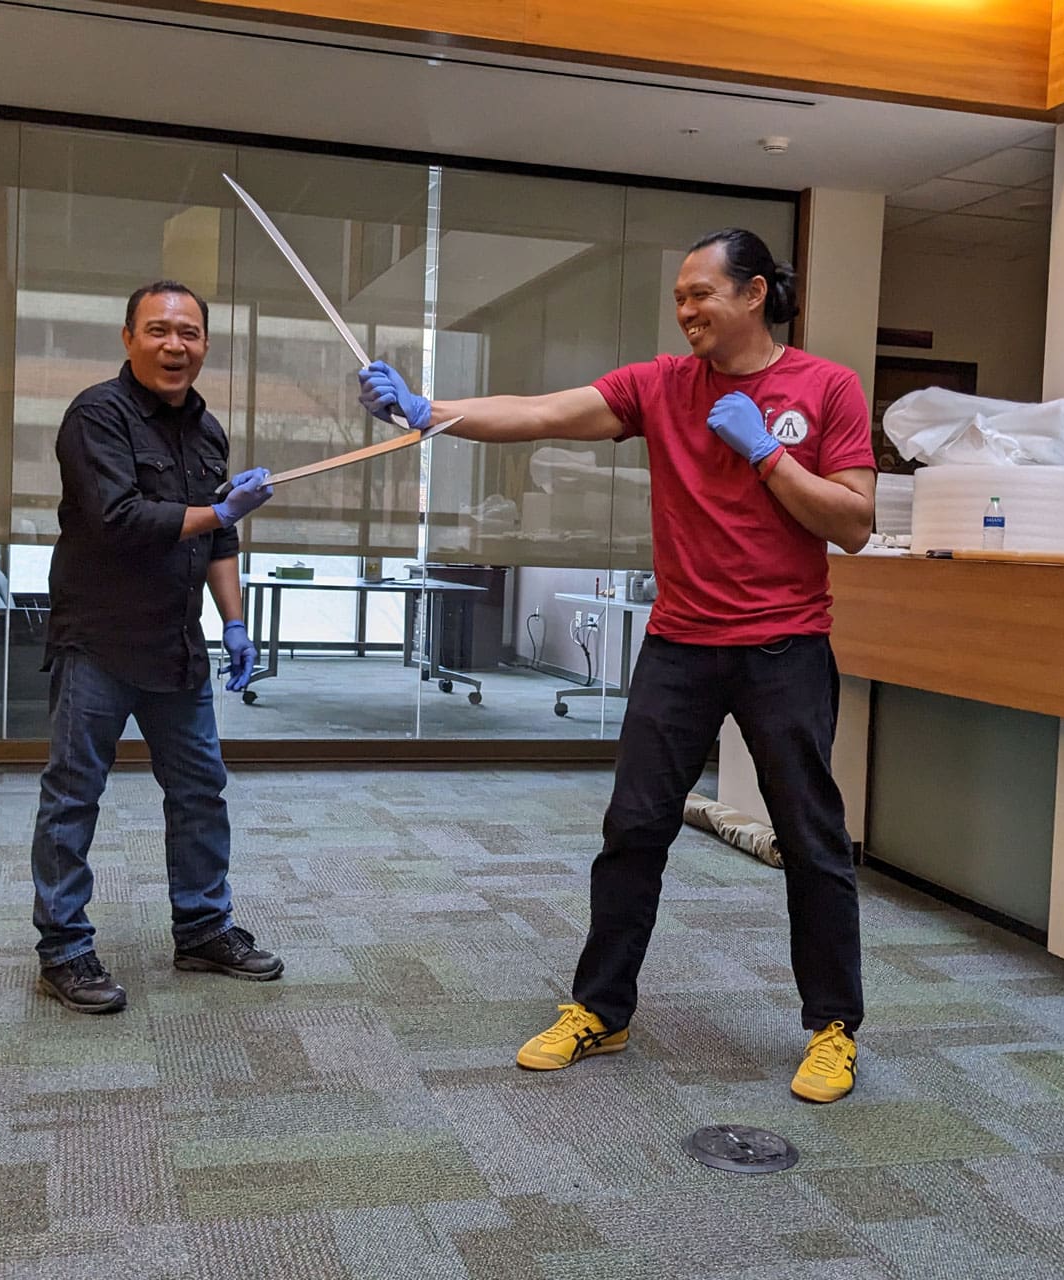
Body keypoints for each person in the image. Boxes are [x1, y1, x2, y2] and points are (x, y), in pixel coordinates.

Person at [358, 230, 876, 1102]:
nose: (685, 311)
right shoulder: (662, 385)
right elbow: (539, 412)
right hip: (680, 644)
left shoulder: (827, 388)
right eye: (679, 296)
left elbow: (853, 524)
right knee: (633, 829)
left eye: (701, 293)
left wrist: (768, 453)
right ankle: (601, 1008)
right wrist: (428, 409)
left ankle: (833, 1028)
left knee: (813, 840)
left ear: (753, 294)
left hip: (784, 647)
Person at [30, 280, 284, 1014]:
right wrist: (216, 508)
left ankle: (203, 927)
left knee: (201, 792)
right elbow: (118, 519)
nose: (176, 346)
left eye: (190, 334)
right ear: (129, 337)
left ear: (205, 343)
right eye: (159, 330)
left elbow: (219, 536)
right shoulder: (95, 416)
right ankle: (64, 950)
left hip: (178, 645)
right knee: (74, 797)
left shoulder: (207, 432)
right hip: (100, 642)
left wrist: (234, 622)